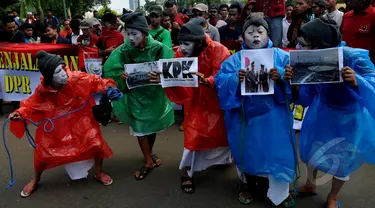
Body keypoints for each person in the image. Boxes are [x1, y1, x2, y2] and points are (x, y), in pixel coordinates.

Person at [285, 18, 375, 208]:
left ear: (322, 44)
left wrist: (356, 80)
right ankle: (310, 185)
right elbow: (305, 98)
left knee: (344, 159)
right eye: (301, 45)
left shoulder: (353, 56)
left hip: (350, 118)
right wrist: (294, 84)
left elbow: (372, 82)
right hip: (322, 113)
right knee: (313, 153)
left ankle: (333, 196)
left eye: (307, 46)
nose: (303, 50)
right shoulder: (307, 60)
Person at [9, 50, 118, 198]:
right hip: (56, 124)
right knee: (43, 151)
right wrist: (19, 113)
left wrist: (109, 88)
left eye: (62, 68)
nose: (63, 74)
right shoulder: (43, 91)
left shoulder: (75, 78)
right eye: (57, 72)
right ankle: (36, 178)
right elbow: (30, 105)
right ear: (48, 77)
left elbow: (97, 81)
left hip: (80, 119)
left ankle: (99, 172)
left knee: (96, 141)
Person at [214, 14, 296, 207]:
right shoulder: (234, 61)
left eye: (260, 32)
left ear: (268, 35)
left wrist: (282, 76)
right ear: (243, 37)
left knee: (277, 152)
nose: (256, 36)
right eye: (250, 32)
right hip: (244, 116)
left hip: (275, 116)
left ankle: (281, 192)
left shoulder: (282, 56)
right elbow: (220, 82)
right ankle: (248, 185)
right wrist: (235, 78)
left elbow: (297, 88)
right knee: (247, 151)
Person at [154, 17, 231, 194]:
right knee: (194, 135)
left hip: (215, 101)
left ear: (198, 42)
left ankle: (220, 161)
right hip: (194, 101)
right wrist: (163, 79)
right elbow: (176, 80)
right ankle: (187, 170)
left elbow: (224, 74)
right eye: (181, 43)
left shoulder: (219, 50)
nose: (182, 48)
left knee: (221, 134)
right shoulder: (180, 55)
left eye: (187, 44)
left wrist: (208, 81)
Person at [103, 12, 174, 180]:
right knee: (140, 129)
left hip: (154, 95)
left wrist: (161, 76)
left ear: (144, 33)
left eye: (134, 34)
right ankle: (148, 160)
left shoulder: (158, 47)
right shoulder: (124, 49)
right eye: (127, 34)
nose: (130, 38)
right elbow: (111, 69)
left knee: (152, 126)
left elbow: (171, 66)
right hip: (135, 95)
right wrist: (121, 76)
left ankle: (148, 153)